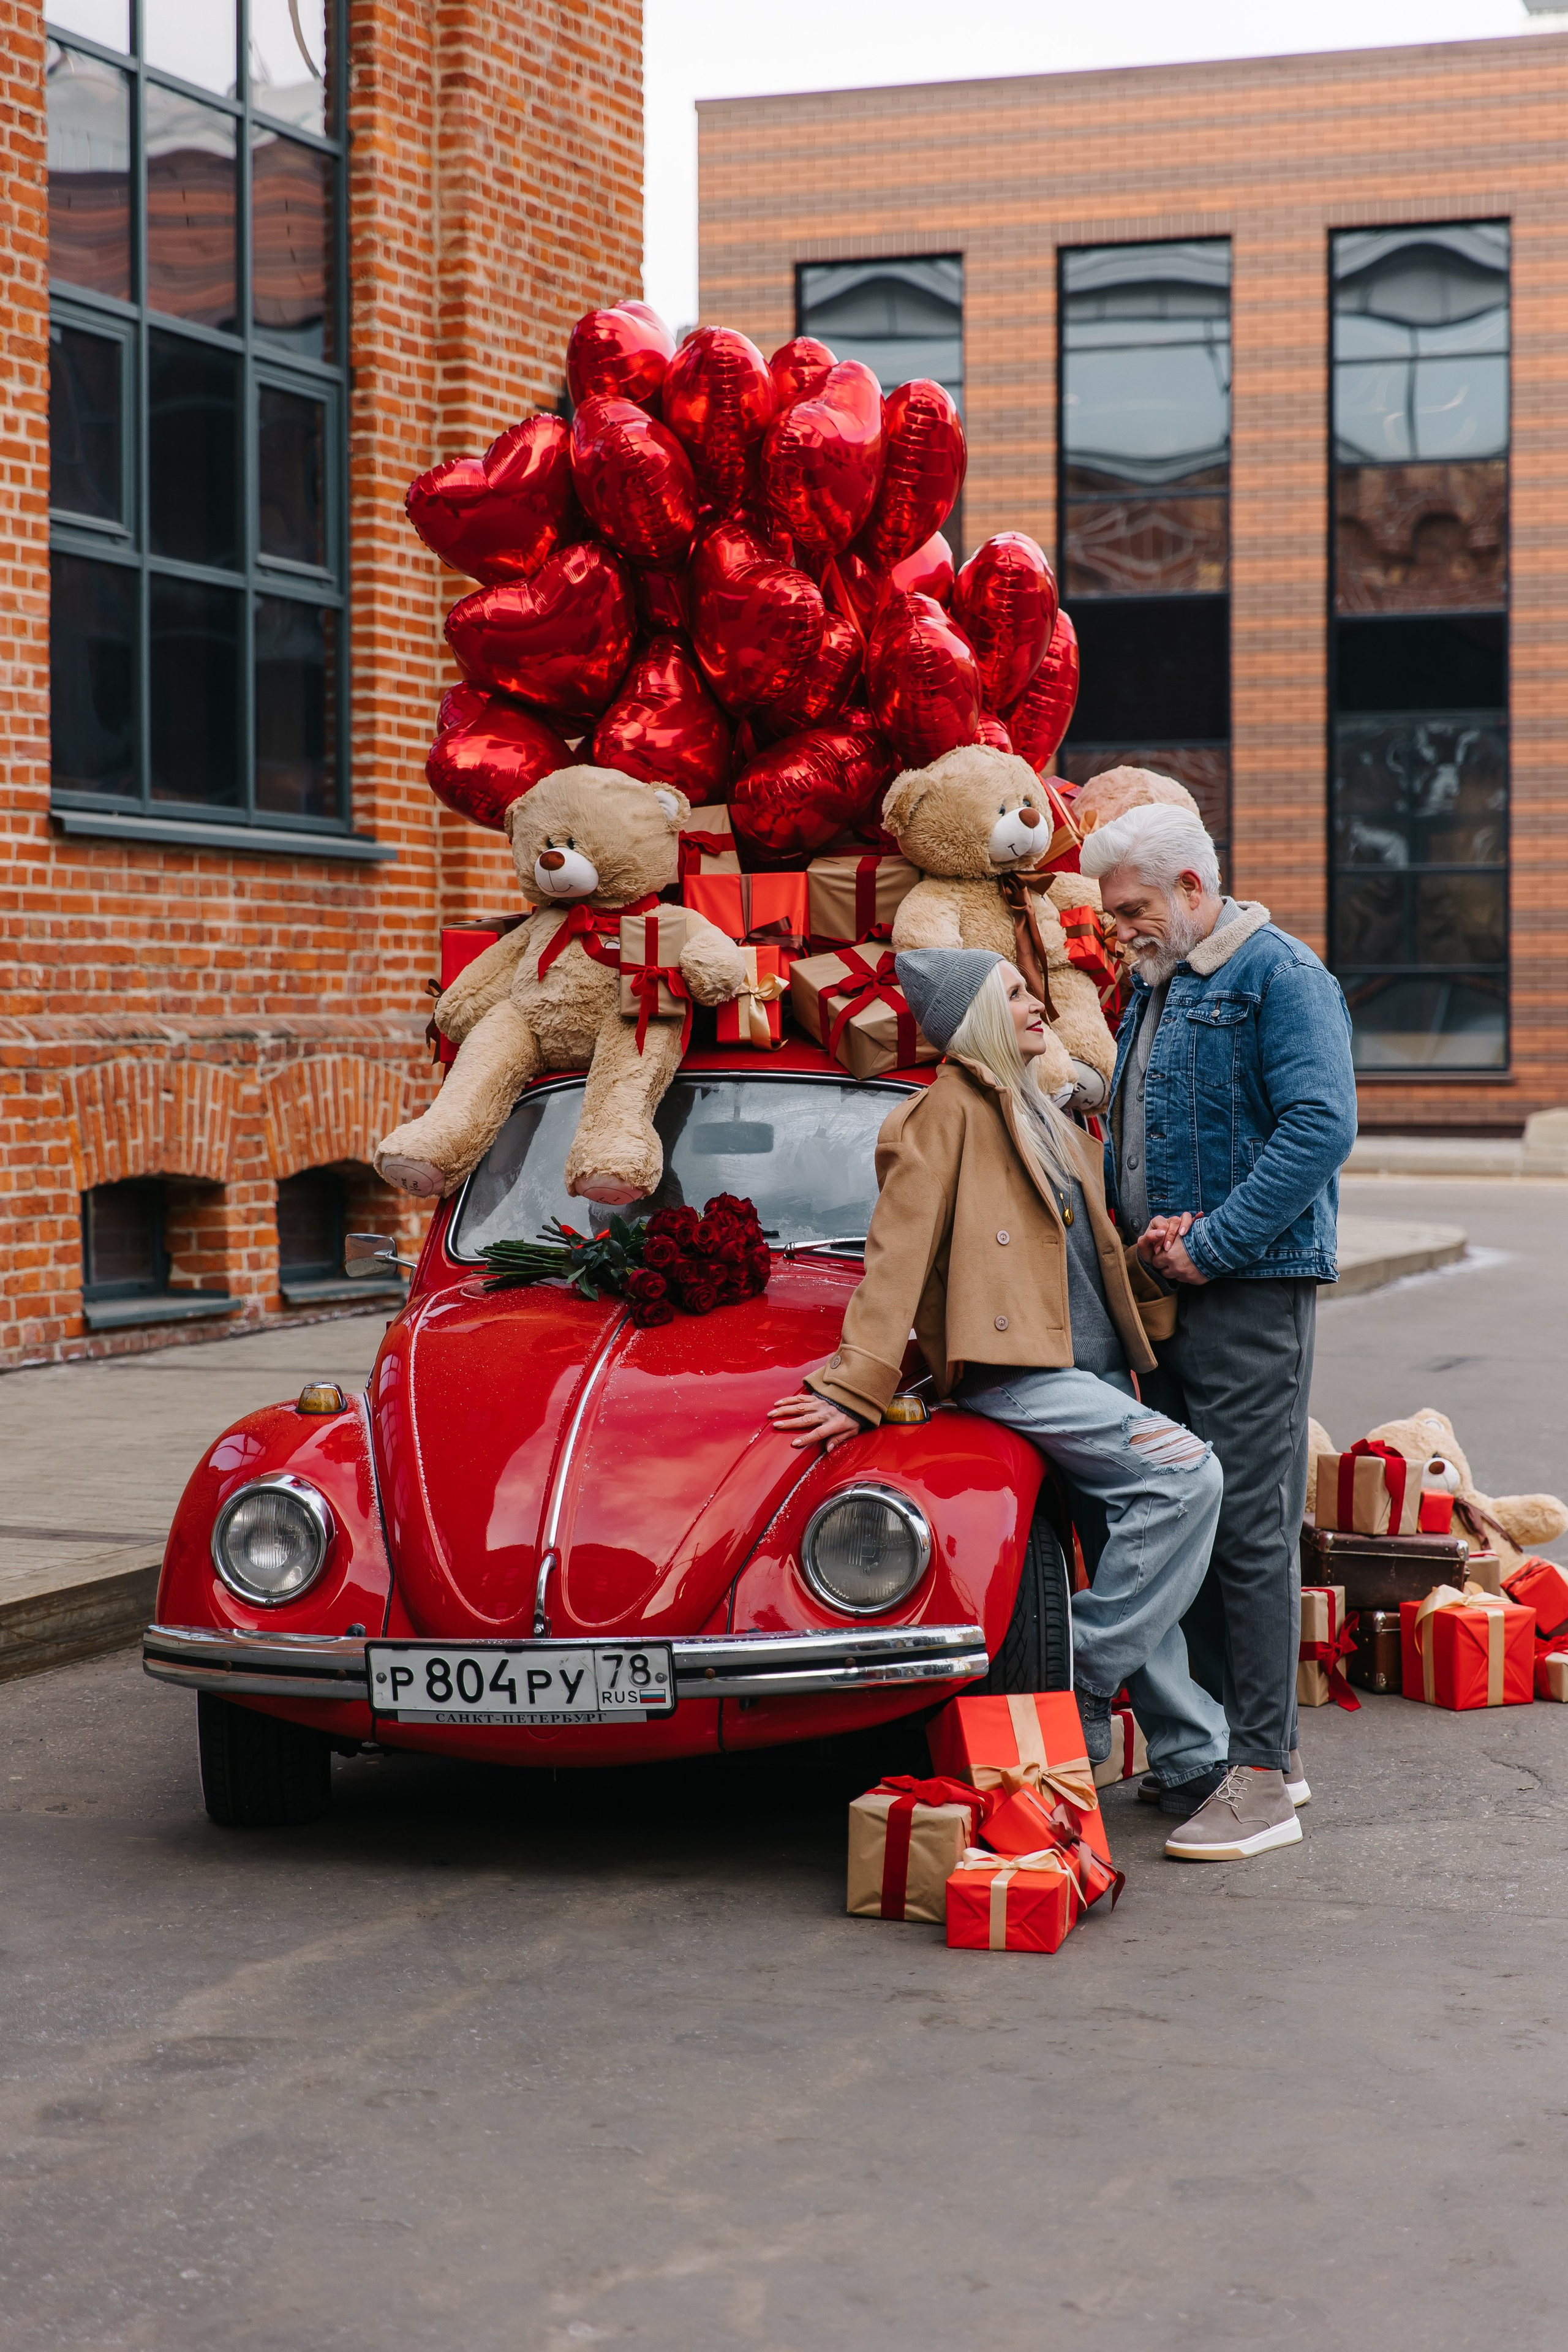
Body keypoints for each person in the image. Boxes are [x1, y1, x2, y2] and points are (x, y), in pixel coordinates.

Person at [767, 948, 1231, 1801]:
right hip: (1013, 1368)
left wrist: (1153, 1266)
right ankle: (1080, 1674)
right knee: (1185, 1477)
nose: (1034, 1003)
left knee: (1131, 1544)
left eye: (1029, 987)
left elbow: (1082, 1267)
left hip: (1087, 1370)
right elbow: (895, 1258)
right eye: (1011, 993)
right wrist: (855, 1383)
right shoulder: (941, 1115)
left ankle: (1192, 1753)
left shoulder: (1049, 1119)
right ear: (975, 1015)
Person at [1079, 799, 1358, 1862]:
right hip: (1177, 1292)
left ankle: (1262, 1779)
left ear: (1195, 887)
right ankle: (1231, 1762)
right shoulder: (1159, 983)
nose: (1120, 930)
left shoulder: (1279, 976)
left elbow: (1320, 1127)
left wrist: (1217, 1242)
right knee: (1194, 1522)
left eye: (1136, 908)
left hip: (1246, 1289)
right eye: (1112, 916)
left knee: (1246, 1528)